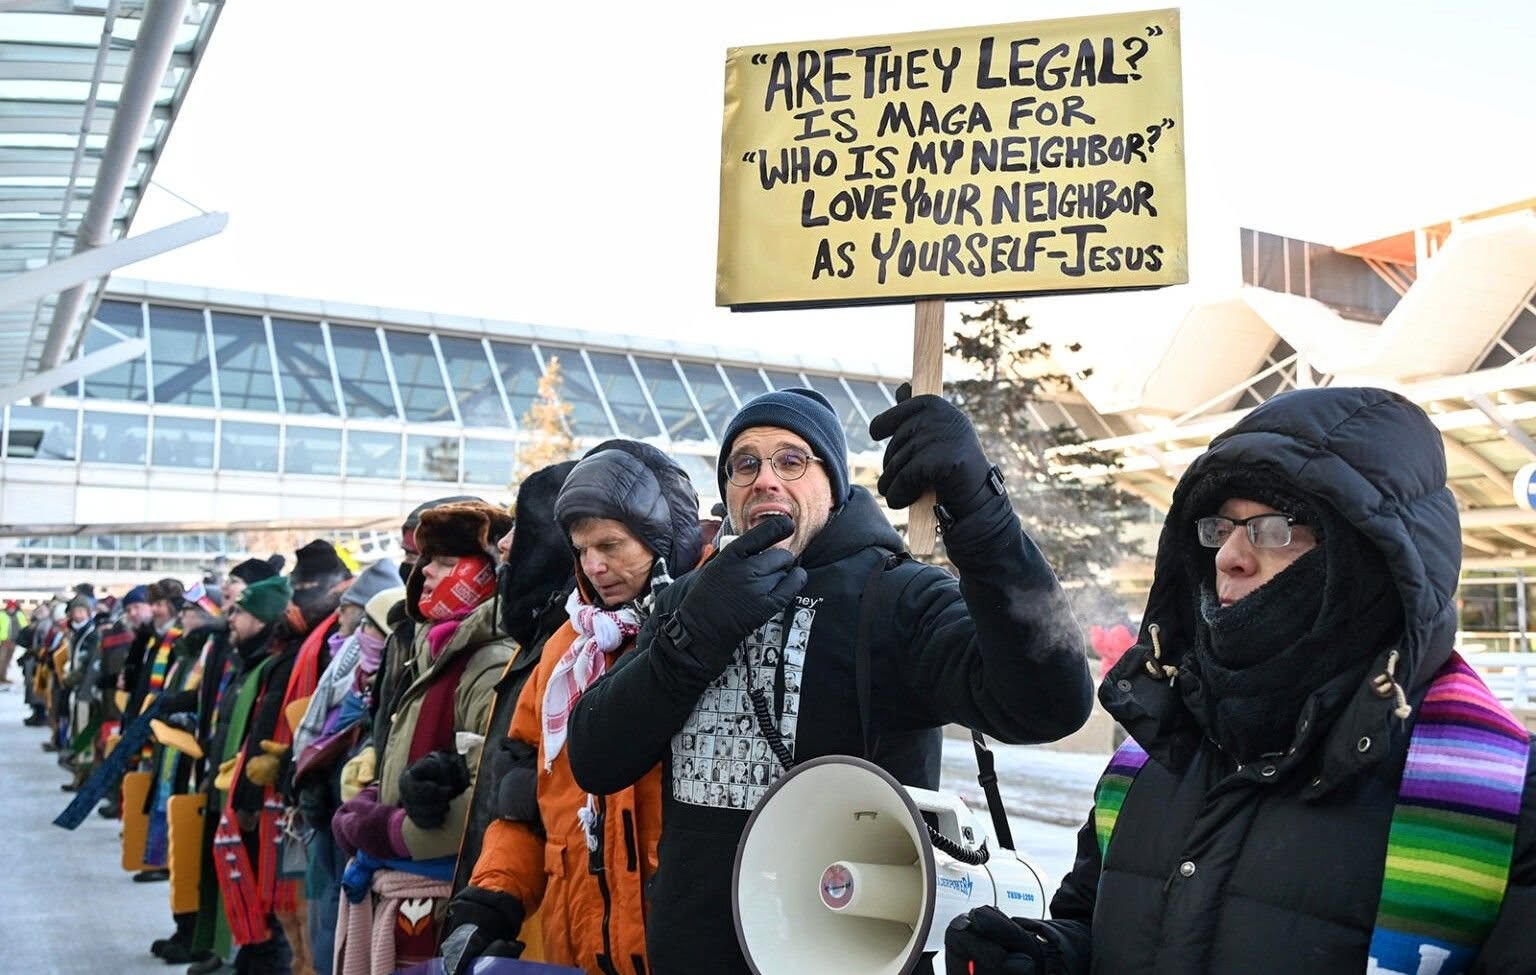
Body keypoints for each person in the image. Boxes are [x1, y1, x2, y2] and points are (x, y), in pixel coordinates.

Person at [945, 386, 1536, 975]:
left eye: (1274, 528)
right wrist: (1050, 958)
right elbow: (1096, 924)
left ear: (1369, 559)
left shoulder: (1500, 795)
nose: (1229, 555)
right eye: (1222, 527)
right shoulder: (1156, 751)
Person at [567, 385, 1093, 973]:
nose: (766, 479)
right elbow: (595, 757)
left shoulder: (898, 595)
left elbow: (1049, 702)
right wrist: (689, 639)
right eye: (745, 464)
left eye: (792, 461)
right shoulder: (692, 596)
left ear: (833, 485)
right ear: (728, 492)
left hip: (852, 951)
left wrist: (981, 513)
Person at [445, 441, 703, 975]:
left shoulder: (712, 634)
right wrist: (492, 899)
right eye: (582, 549)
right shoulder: (566, 651)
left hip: (682, 945)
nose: (594, 566)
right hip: (579, 946)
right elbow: (522, 805)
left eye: (611, 545)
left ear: (665, 539)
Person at [329, 500, 515, 973]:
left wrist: (385, 830)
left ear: (486, 573)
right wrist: (370, 798)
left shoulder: (489, 660)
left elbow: (482, 801)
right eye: (426, 561)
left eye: (446, 563)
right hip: (404, 885)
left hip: (437, 893)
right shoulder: (434, 649)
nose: (426, 573)